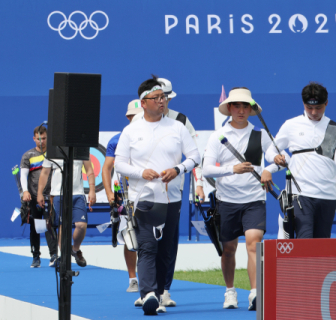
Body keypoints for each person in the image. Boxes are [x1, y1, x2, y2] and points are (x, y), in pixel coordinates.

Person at [115, 76, 200, 315]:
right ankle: (148, 294)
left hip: (172, 197)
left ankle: (162, 291)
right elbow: (120, 164)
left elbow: (195, 157)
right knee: (147, 245)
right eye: (156, 98)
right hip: (143, 197)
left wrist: (178, 169)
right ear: (143, 102)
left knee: (166, 248)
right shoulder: (131, 131)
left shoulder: (178, 127)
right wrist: (141, 172)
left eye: (163, 97)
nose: (162, 101)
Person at [203, 87, 286, 311]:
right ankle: (230, 291)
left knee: (254, 243)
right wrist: (233, 169)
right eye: (236, 106)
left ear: (251, 110)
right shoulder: (218, 137)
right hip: (226, 201)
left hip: (254, 200)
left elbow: (276, 159)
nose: (241, 110)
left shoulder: (260, 135)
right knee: (228, 249)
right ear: (229, 108)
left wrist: (271, 167)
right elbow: (206, 170)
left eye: (245, 106)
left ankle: (255, 293)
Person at [265, 81, 336, 239]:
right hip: (300, 194)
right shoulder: (291, 125)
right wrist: (275, 158)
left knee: (321, 244)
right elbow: (270, 151)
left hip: (327, 196)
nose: (313, 112)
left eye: (318, 107)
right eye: (309, 107)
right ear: (303, 104)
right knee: (304, 240)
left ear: (326, 103)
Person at [102, 99, 143, 292]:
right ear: (128, 117)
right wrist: (110, 192)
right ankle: (133, 279)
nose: (139, 119)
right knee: (130, 237)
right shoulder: (117, 140)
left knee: (151, 238)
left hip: (150, 195)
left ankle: (152, 278)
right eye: (135, 116)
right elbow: (107, 168)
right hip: (126, 197)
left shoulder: (152, 136)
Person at [37, 153, 96, 267]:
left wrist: (92, 190)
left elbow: (89, 170)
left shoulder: (81, 148)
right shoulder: (52, 150)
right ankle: (64, 256)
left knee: (81, 225)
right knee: (62, 226)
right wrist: (40, 193)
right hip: (58, 195)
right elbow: (44, 173)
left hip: (78, 194)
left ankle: (75, 249)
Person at [19, 125, 58, 268]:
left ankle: (54, 255)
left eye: (44, 138)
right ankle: (36, 256)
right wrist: (25, 191)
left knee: (50, 225)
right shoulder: (28, 155)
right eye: (38, 139)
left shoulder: (54, 154)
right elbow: (23, 175)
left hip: (51, 196)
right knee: (35, 227)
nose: (41, 141)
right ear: (34, 139)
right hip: (33, 197)